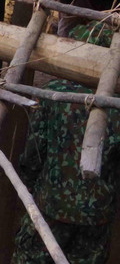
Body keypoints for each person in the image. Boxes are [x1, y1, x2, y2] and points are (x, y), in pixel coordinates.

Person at [13, 79, 120, 264]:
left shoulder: (54, 92)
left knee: (33, 257)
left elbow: (34, 151)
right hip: (97, 212)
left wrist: (29, 184)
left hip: (52, 202)